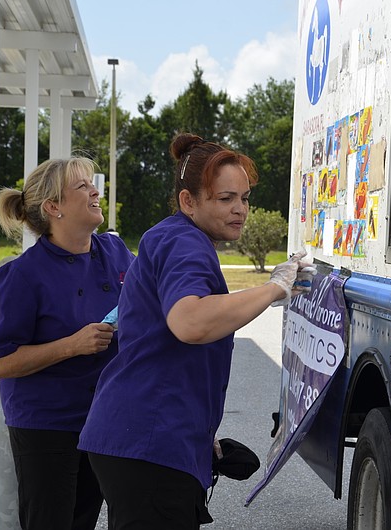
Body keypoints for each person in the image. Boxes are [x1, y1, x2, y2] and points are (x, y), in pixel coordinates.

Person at [78, 133, 314, 529]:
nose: (240, 209)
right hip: (149, 444)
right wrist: (276, 288)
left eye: (245, 198)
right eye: (225, 199)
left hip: (146, 438)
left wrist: (201, 437)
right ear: (189, 201)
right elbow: (190, 322)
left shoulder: (174, 236)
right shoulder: (184, 242)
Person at [0, 156, 135, 530]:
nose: (95, 191)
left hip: (103, 417)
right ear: (53, 207)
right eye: (83, 186)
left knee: (83, 520)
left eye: (93, 183)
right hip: (46, 425)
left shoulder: (116, 253)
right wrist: (71, 345)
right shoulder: (21, 276)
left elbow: (155, 297)